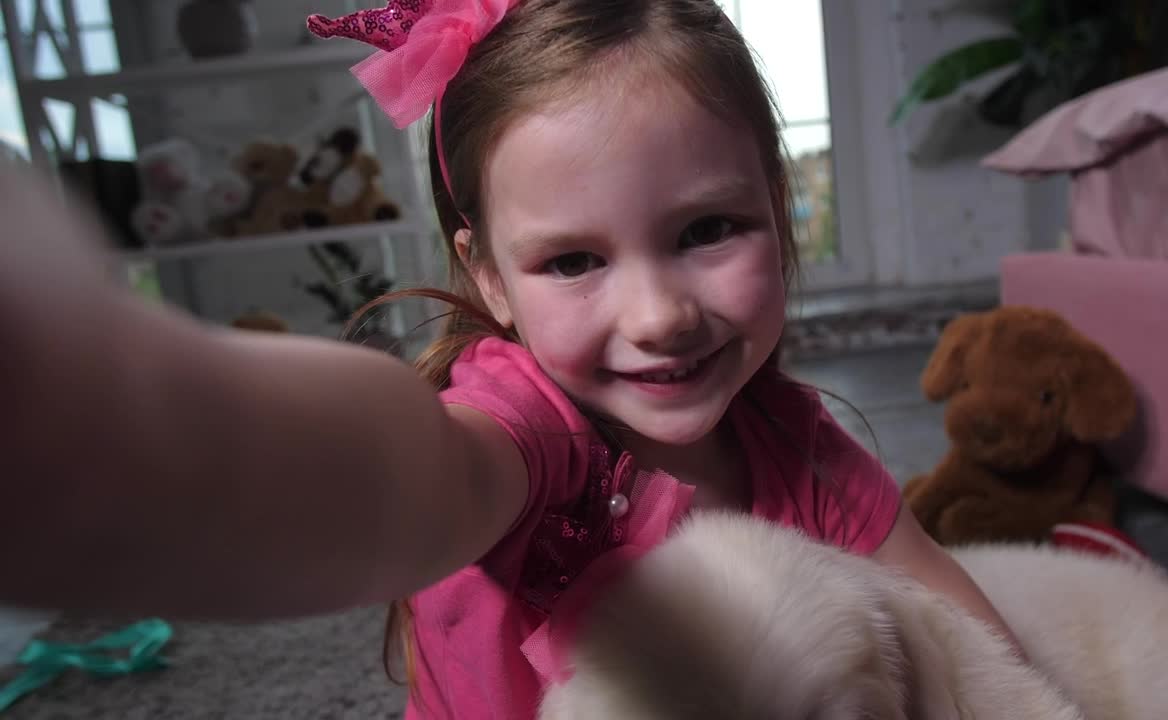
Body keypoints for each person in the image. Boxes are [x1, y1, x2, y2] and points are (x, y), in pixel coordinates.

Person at [0, 0, 1033, 717]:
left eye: (708, 229)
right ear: (489, 278)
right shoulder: (526, 434)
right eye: (573, 259)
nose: (660, 313)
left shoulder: (799, 449)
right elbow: (404, 474)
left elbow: (984, 662)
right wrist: (136, 420)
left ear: (778, 204)